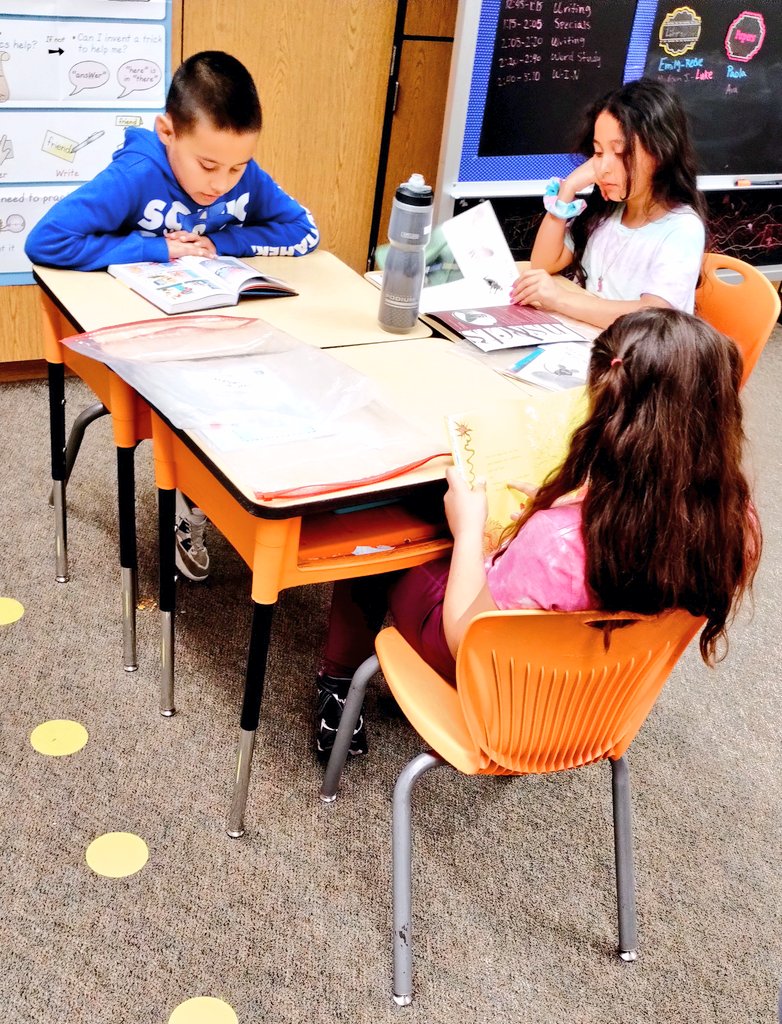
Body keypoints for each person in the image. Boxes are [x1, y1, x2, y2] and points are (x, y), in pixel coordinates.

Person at [313, 308, 761, 762]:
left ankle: (336, 683)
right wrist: (581, 507)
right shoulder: (735, 520)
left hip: (500, 687)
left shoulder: (555, 542)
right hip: (597, 699)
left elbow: (464, 640)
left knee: (388, 535)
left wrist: (468, 532)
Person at [25, 50, 319, 582]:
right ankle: (195, 496)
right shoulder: (137, 173)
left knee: (266, 384)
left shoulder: (244, 177)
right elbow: (48, 240)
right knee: (202, 400)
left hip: (214, 327)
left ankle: (219, 497)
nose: (222, 183)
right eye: (209, 166)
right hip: (139, 337)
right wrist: (158, 251)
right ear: (167, 131)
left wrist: (222, 240)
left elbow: (303, 231)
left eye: (237, 166)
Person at [511, 78, 707, 329]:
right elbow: (543, 263)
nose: (603, 168)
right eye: (599, 153)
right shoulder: (607, 212)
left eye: (621, 153)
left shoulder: (682, 228)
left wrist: (559, 299)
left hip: (634, 358)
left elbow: (651, 317)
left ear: (661, 152)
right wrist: (568, 188)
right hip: (588, 338)